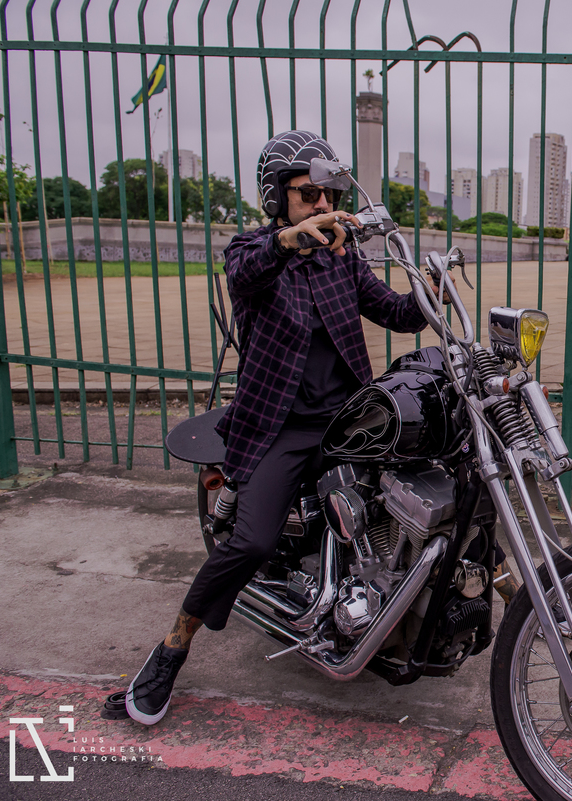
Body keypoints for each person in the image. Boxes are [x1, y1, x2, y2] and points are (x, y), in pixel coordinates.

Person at [124, 130, 433, 725]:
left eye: (328, 194)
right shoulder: (253, 251)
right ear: (277, 199)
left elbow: (392, 311)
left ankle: (372, 605)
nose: (322, 204)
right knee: (251, 542)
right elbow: (246, 273)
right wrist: (291, 241)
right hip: (280, 427)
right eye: (307, 194)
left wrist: (431, 290)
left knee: (420, 492)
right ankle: (171, 649)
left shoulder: (343, 258)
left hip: (349, 422)